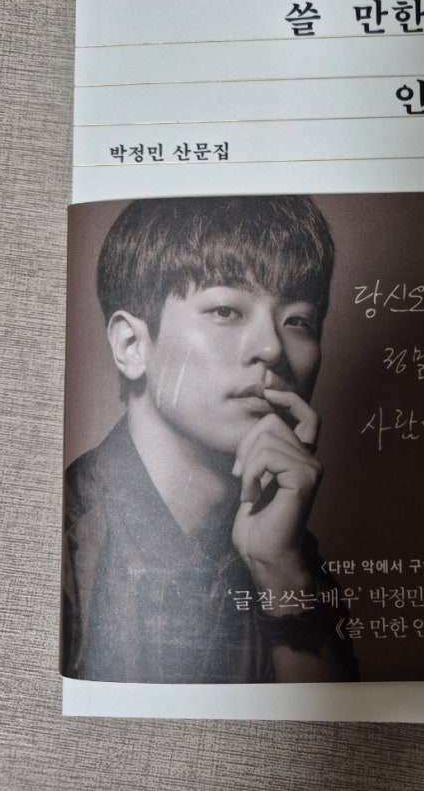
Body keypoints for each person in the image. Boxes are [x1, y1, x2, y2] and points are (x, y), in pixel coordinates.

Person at [62, 195, 357, 683]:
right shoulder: (63, 546)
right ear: (132, 345)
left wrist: (278, 568)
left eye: (298, 321)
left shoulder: (289, 551)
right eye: (225, 310)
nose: (272, 348)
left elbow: (327, 729)